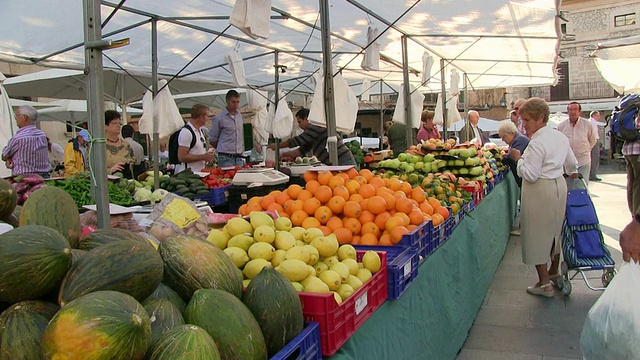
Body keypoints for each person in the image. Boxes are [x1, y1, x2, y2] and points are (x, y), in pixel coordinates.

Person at [509, 97, 578, 298]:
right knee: (554, 233)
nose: (524, 125)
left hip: (540, 190)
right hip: (558, 186)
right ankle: (554, 272)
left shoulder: (536, 144)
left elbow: (530, 174)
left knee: (537, 234)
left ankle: (544, 283)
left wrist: (518, 160)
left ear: (540, 119)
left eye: (527, 120)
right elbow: (572, 165)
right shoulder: (560, 137)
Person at [269, 108, 356, 166]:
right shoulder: (312, 135)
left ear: (306, 119)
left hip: (343, 161)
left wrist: (277, 146)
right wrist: (282, 154)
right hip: (336, 163)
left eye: (299, 122)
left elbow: (295, 141)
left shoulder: (315, 127)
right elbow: (300, 151)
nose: (299, 126)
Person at [2, 105, 51, 177]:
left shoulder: (18, 138)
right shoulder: (42, 135)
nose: (15, 118)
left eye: (17, 115)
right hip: (44, 177)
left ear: (24, 117)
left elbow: (4, 155)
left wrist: (9, 158)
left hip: (24, 179)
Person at [557, 102, 596, 185]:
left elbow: (593, 140)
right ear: (568, 112)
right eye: (570, 110)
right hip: (567, 163)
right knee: (568, 187)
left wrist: (586, 150)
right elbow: (559, 143)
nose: (573, 112)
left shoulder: (587, 125)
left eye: (575, 109)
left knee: (582, 186)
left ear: (579, 111)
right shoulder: (561, 126)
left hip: (583, 161)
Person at [209, 90, 245, 167]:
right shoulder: (219, 118)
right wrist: (223, 148)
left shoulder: (239, 116)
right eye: (233, 102)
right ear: (227, 101)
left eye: (237, 102)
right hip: (225, 157)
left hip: (239, 157)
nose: (236, 105)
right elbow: (212, 139)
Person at [176, 104, 214, 173]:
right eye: (207, 116)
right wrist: (203, 157)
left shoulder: (200, 130)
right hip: (189, 175)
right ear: (201, 117)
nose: (208, 119)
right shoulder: (186, 132)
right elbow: (181, 157)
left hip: (200, 172)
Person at [498, 121, 529, 188]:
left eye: (504, 137)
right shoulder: (516, 140)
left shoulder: (519, 140)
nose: (503, 140)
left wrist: (500, 156)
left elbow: (511, 157)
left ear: (511, 133)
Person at [104, 110, 134, 178]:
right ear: (105, 126)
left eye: (119, 123)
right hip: (108, 184)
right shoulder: (99, 146)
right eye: (114, 123)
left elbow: (133, 162)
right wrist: (110, 170)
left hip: (127, 182)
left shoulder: (126, 145)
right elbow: (91, 170)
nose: (118, 126)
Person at [589, 110, 603, 181]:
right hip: (594, 141)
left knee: (592, 158)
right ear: (593, 115)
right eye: (597, 115)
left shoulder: (590, 122)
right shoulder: (593, 122)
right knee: (595, 158)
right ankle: (593, 175)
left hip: (591, 141)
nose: (599, 117)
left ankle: (591, 174)